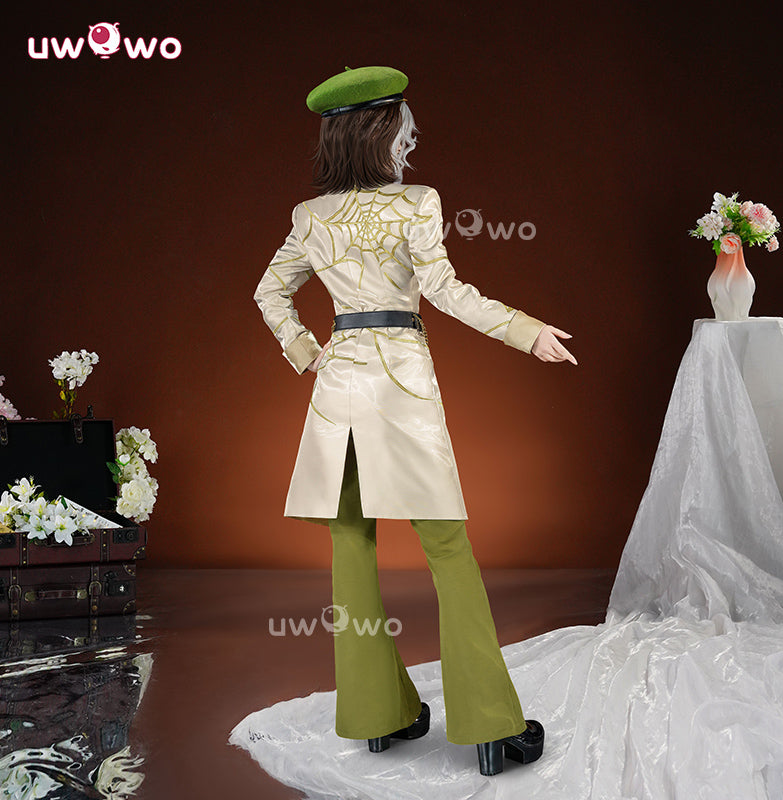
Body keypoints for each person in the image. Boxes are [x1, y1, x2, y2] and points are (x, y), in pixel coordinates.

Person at [253, 65, 577, 776]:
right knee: (447, 548)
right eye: (405, 131)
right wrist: (524, 330)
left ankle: (378, 717)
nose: (412, 141)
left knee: (350, 546)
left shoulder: (311, 217)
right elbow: (447, 291)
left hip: (339, 387)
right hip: (403, 385)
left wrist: (307, 353)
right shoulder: (418, 203)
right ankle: (490, 726)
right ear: (379, 134)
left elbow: (268, 293)